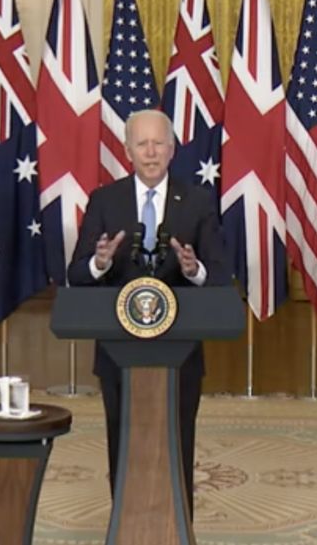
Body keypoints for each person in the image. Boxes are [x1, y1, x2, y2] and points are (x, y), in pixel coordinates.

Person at [67, 109, 230, 514]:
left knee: (178, 439)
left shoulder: (197, 202)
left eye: (159, 143)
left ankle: (178, 525)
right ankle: (124, 519)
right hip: (118, 351)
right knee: (122, 439)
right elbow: (77, 272)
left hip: (181, 353)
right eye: (143, 144)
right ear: (127, 151)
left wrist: (195, 270)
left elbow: (222, 275)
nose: (151, 152)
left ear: (172, 150)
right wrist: (100, 262)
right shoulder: (105, 201)